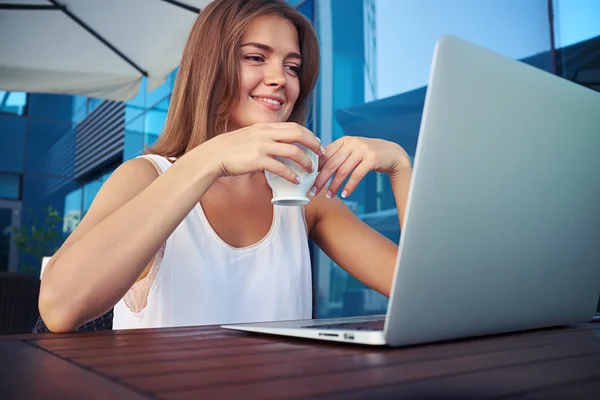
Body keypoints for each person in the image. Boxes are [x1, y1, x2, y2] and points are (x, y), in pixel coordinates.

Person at [38, 0, 413, 332]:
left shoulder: (302, 195)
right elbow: (59, 308)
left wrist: (402, 168)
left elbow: (423, 291)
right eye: (255, 57)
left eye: (293, 66)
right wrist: (209, 160)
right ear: (209, 69)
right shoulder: (145, 177)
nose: (279, 79)